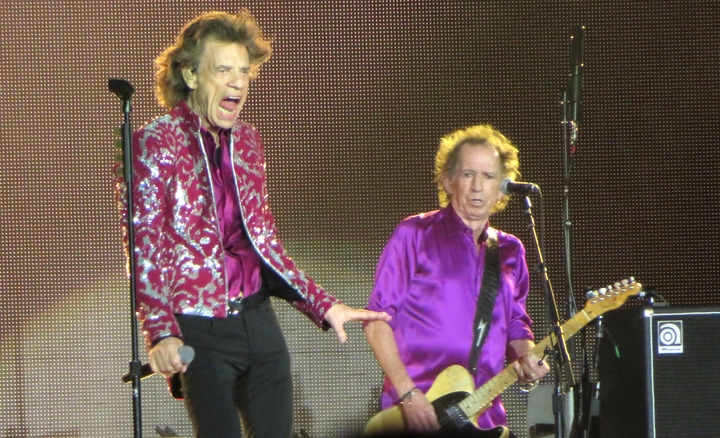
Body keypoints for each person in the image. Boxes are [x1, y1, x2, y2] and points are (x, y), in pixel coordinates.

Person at [118, 10, 390, 438]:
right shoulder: (156, 141)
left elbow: (264, 242)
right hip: (200, 330)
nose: (238, 82)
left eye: (244, 71)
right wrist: (160, 332)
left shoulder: (247, 141)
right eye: (223, 69)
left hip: (260, 325)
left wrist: (324, 305)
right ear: (190, 74)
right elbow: (145, 248)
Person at [363, 125, 550, 435]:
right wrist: (408, 394)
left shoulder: (510, 249)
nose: (478, 186)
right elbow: (376, 321)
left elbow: (517, 324)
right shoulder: (415, 234)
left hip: (484, 415)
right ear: (449, 181)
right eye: (467, 174)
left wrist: (528, 358)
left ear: (502, 187)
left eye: (489, 176)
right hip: (419, 411)